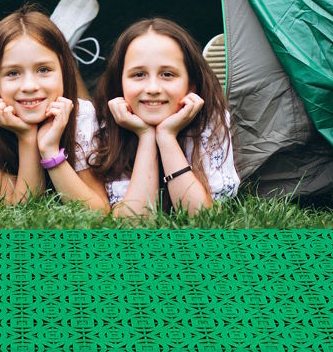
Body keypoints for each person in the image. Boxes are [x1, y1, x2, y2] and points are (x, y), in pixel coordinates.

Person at [0, 5, 109, 212]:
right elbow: (21, 206)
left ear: (63, 72)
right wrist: (27, 137)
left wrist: (50, 150)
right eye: (13, 73)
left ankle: (66, 52)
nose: (29, 86)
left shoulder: (83, 115)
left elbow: (98, 211)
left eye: (43, 69)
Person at [89, 18, 239, 216]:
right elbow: (134, 222)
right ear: (120, 83)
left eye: (167, 74)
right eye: (138, 74)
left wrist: (166, 136)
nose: (152, 88)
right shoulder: (109, 127)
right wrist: (145, 136)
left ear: (191, 85)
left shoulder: (210, 122)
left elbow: (202, 217)